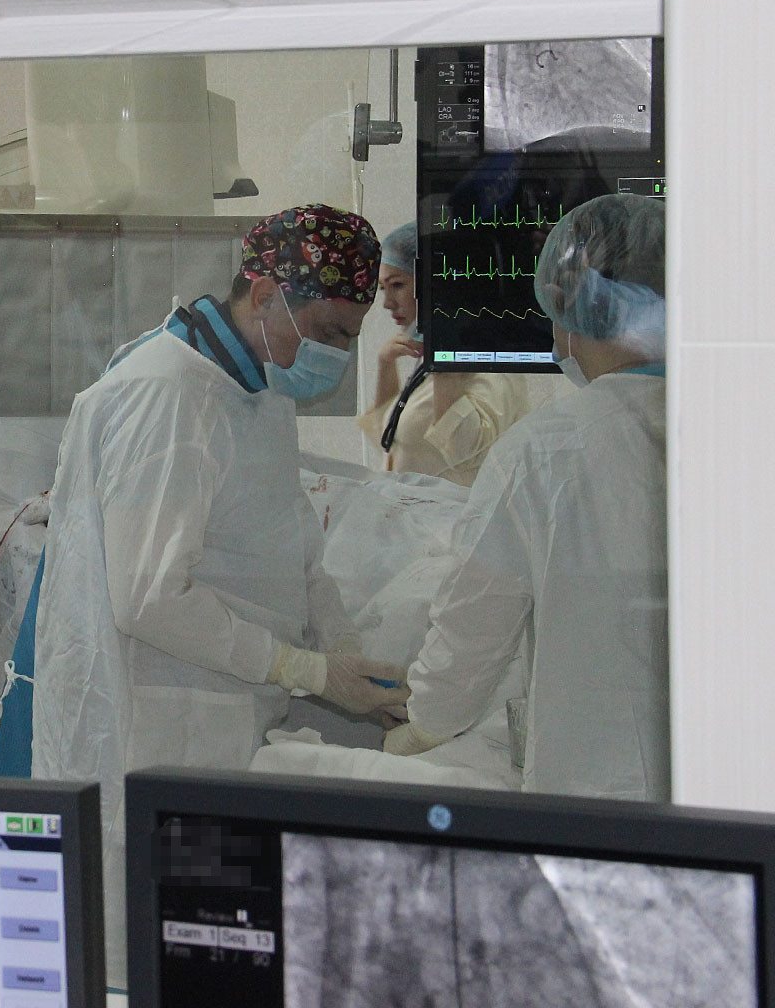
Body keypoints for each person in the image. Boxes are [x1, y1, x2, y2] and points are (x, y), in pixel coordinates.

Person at [33, 204, 410, 985]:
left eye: (350, 337)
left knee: (219, 961)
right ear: (266, 293)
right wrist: (303, 671)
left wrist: (344, 652)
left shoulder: (256, 391)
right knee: (150, 965)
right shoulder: (167, 395)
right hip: (154, 734)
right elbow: (148, 596)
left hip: (223, 729)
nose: (337, 355)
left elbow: (293, 546)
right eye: (329, 332)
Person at [386, 194, 668, 802]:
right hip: (741, 786)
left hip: (598, 788)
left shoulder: (545, 453)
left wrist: (424, 724)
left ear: (565, 303)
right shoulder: (753, 432)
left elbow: (472, 628)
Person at [359, 222, 532, 485]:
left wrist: (446, 369)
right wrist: (385, 364)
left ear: (435, 284)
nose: (387, 303)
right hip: (414, 508)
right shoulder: (430, 360)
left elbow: (467, 450)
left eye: (397, 285)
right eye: (383, 288)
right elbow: (389, 438)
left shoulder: (490, 360)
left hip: (460, 512)